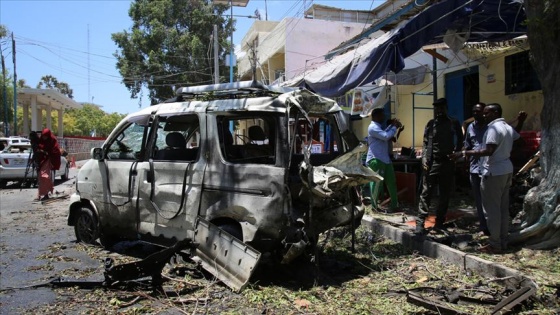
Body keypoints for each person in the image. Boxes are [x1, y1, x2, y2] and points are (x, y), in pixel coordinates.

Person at [453, 103, 522, 254]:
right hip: (506, 169)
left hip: (493, 172)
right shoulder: (508, 127)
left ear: (495, 112)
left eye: (487, 113)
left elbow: (488, 150)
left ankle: (495, 244)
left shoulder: (493, 128)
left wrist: (465, 153)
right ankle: (503, 241)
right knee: (503, 208)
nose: (484, 115)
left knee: (492, 210)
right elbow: (518, 138)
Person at [416, 98, 463, 234]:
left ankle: (439, 222)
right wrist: (424, 158)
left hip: (447, 162)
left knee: (444, 194)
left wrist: (457, 153)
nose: (439, 110)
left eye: (441, 108)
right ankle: (420, 223)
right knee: (426, 193)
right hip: (432, 162)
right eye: (437, 108)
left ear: (446, 108)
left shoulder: (453, 122)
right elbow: (425, 143)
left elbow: (460, 139)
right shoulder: (431, 124)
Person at [366, 108, 402, 212]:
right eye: (382, 115)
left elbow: (385, 133)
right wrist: (394, 127)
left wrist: (392, 125)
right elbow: (385, 136)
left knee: (391, 183)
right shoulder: (372, 127)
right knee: (377, 184)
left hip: (384, 159)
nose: (384, 117)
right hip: (376, 159)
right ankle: (374, 207)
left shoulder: (379, 127)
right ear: (376, 116)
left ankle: (395, 205)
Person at [34, 128, 61, 201]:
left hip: (48, 161)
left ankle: (45, 194)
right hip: (41, 161)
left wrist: (46, 152)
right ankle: (41, 194)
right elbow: (38, 148)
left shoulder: (52, 140)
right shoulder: (41, 141)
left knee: (45, 177)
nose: (44, 138)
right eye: (43, 136)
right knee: (41, 178)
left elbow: (55, 152)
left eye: (45, 136)